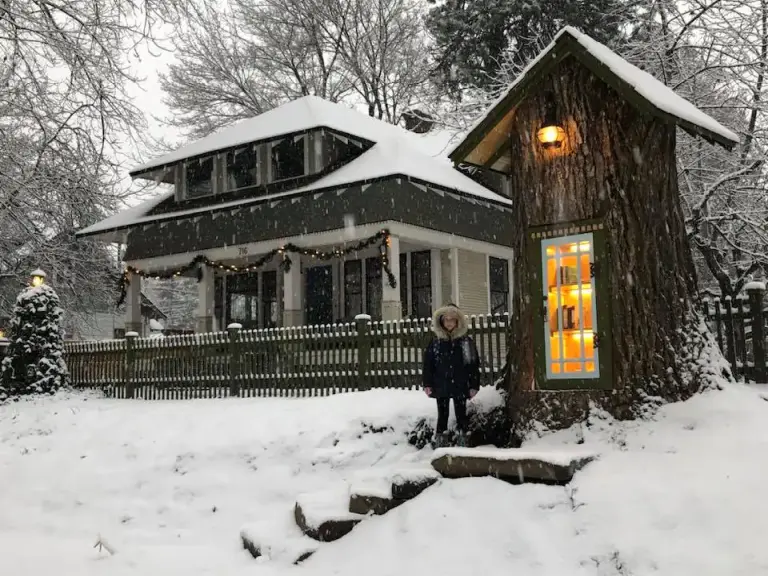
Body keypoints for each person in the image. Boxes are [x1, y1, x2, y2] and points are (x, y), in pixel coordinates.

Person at [422, 303, 480, 448]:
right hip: (441, 385)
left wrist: (474, 385)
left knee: (461, 416)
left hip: (460, 385)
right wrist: (427, 383)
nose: (449, 323)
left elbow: (473, 365)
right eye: (446, 320)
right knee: (442, 415)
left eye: (452, 320)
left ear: (457, 321)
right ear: (441, 322)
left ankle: (463, 443)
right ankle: (441, 444)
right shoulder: (436, 343)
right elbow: (428, 365)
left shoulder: (466, 342)